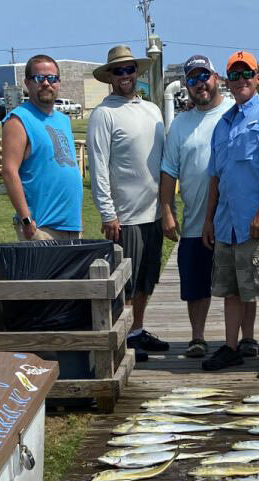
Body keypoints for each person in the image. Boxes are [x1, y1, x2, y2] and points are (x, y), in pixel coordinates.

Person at [203, 51, 259, 379]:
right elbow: (215, 176)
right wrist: (209, 219)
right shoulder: (223, 123)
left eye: (247, 74)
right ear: (227, 80)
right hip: (226, 224)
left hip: (258, 224)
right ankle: (231, 347)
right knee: (230, 290)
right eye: (235, 74)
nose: (241, 80)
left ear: (258, 78)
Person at [158, 55, 251, 359]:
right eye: (193, 79)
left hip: (233, 219)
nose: (200, 84)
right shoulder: (181, 124)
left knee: (240, 284)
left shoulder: (235, 111)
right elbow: (169, 170)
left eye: (204, 76)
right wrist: (168, 210)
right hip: (196, 218)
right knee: (196, 285)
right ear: (186, 85)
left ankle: (245, 338)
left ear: (216, 78)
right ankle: (197, 337)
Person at [87, 44, 169, 354]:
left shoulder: (152, 109)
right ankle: (120, 337)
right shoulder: (103, 114)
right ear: (110, 76)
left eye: (129, 69)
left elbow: (164, 161)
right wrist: (108, 213)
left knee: (147, 280)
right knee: (125, 284)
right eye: (118, 71)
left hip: (154, 213)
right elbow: (98, 167)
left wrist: (167, 207)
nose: (125, 75)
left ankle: (137, 331)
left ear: (137, 72)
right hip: (125, 217)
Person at [0, 54, 82, 241]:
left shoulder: (63, 120)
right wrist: (26, 220)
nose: (46, 83)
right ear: (27, 83)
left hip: (71, 226)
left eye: (52, 78)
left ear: (59, 83)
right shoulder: (18, 120)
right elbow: (8, 171)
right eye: (39, 78)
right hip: (41, 228)